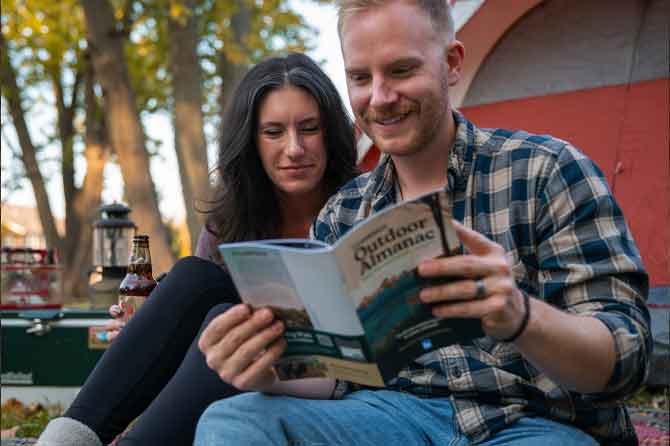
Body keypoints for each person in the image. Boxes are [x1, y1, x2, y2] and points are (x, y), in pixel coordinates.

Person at [194, 1, 652, 445]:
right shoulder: (342, 212)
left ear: (451, 64)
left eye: (401, 71)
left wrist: (521, 318)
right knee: (235, 420)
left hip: (532, 424)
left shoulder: (546, 170)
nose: (380, 98)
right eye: (360, 77)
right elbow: (337, 380)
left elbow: (624, 360)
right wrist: (267, 371)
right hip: (391, 418)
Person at [36, 52, 358, 446]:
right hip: (237, 368)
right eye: (273, 132)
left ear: (330, 133)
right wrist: (147, 326)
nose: (294, 148)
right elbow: (192, 319)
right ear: (251, 141)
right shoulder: (230, 222)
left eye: (309, 129)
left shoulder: (362, 205)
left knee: (227, 319)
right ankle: (67, 440)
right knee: (194, 279)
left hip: (329, 382)